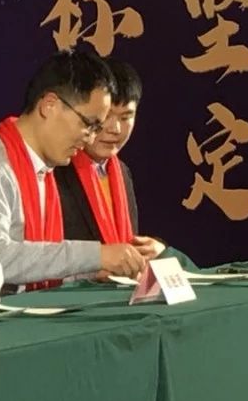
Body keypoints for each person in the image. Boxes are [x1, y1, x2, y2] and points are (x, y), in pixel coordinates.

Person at [0, 49, 146, 291]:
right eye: (88, 124)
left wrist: (88, 271)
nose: (91, 138)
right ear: (50, 105)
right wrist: (96, 255)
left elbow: (37, 264)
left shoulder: (44, 168)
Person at [54, 59, 166, 261]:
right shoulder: (54, 169)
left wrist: (154, 249)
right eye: (106, 116)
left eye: (125, 117)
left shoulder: (122, 171)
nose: (115, 129)